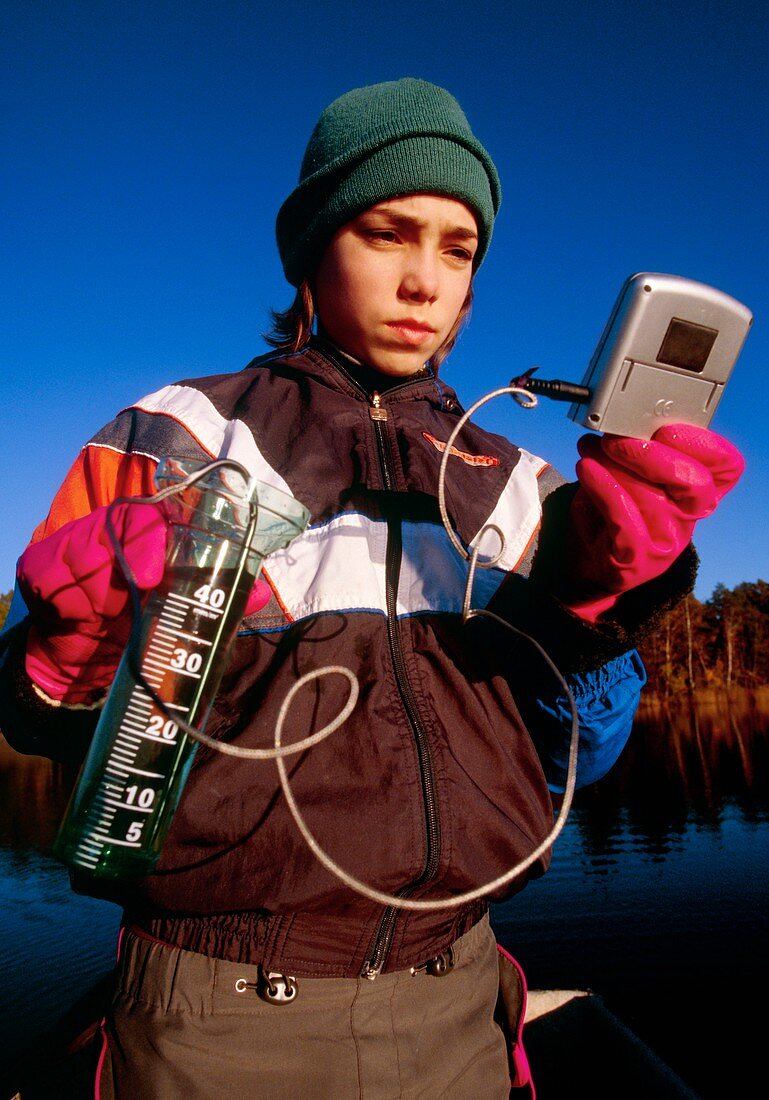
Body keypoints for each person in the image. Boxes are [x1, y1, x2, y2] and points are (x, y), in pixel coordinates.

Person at [0, 78, 744, 1098]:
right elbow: (42, 722)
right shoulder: (174, 433)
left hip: (459, 998)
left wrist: (590, 607)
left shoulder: (521, 481)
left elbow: (580, 754)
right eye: (389, 233)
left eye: (456, 247)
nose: (424, 280)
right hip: (214, 1015)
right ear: (312, 251)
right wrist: (61, 638)